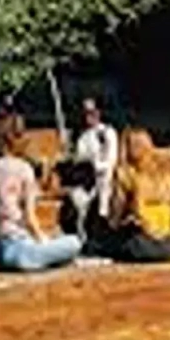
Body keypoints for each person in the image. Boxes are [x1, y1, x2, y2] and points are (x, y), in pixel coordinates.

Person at [0, 110, 82, 272]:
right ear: (11, 138)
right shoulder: (22, 168)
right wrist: (42, 240)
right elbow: (30, 219)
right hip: (16, 247)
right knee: (73, 243)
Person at [102, 128, 170, 263]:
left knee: (103, 241)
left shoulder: (125, 174)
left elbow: (115, 219)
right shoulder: (165, 175)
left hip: (142, 245)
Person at [61, 98, 119, 242]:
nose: (88, 116)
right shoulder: (76, 135)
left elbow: (111, 161)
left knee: (98, 217)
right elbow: (73, 157)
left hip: (102, 184)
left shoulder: (106, 133)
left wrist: (94, 165)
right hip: (81, 183)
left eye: (92, 112)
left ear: (98, 113)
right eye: (84, 112)